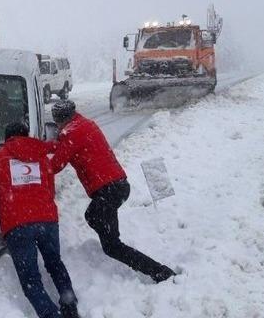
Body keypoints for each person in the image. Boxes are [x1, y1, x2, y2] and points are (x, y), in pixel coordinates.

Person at [50, 100, 175, 283]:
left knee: (111, 245)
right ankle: (112, 239)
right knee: (92, 216)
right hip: (117, 186)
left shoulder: (70, 133)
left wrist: (30, 165)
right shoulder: (84, 124)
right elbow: (66, 147)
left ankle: (160, 272)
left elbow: (55, 165)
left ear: (58, 119)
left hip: (108, 190)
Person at [0, 122, 80, 318]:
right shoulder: (41, 156)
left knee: (31, 279)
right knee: (55, 264)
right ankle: (70, 307)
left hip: (17, 224)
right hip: (47, 220)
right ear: (26, 135)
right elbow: (50, 189)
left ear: (6, 139)